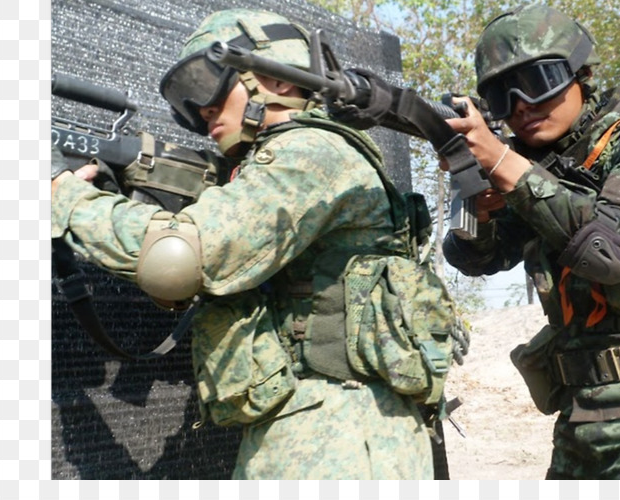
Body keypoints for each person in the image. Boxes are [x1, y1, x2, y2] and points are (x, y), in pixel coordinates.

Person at [51, 8, 436, 479]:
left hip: (336, 435)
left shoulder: (310, 151)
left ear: (278, 78)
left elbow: (183, 258)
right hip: (328, 424)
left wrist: (68, 201)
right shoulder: (312, 154)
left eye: (207, 83)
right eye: (186, 101)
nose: (201, 109)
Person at [441, 4, 620, 479]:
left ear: (581, 74)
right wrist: (478, 204)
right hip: (579, 421)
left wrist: (507, 167)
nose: (521, 106)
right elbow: (478, 260)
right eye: (500, 95)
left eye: (536, 82)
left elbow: (617, 250)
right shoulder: (537, 166)